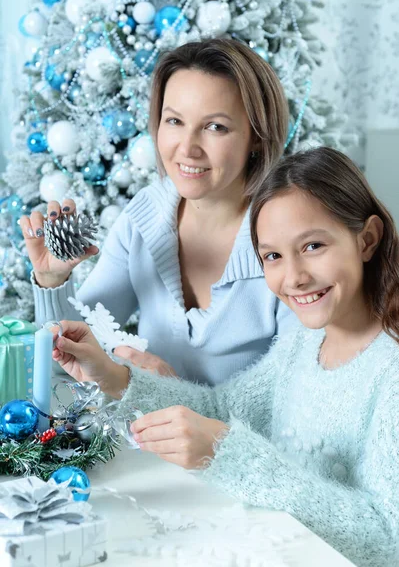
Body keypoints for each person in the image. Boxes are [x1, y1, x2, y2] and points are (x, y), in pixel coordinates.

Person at [53, 147, 399, 567]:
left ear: (367, 239)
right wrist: (112, 376)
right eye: (272, 256)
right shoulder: (302, 346)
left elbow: (386, 540)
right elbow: (220, 409)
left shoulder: (389, 371)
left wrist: (227, 454)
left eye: (312, 245)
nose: (293, 277)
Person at [21, 38, 296, 386]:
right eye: (175, 121)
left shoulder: (289, 236)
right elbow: (68, 360)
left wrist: (168, 394)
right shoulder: (145, 216)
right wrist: (52, 280)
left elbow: (294, 402)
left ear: (257, 135)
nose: (187, 148)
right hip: (144, 438)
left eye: (215, 127)